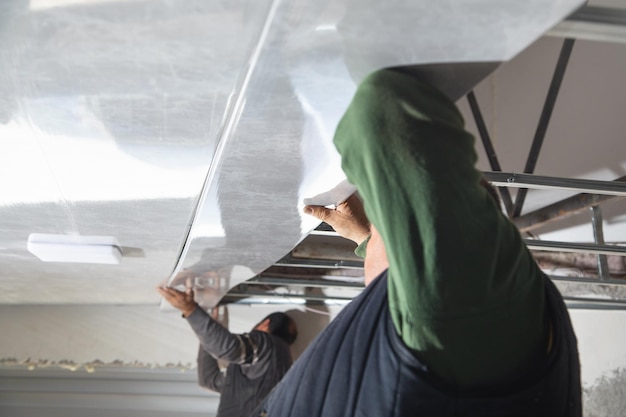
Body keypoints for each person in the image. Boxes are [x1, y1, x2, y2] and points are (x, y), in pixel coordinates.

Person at [255, 67, 581, 416]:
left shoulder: (464, 311)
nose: (389, 219)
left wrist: (368, 238)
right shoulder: (463, 303)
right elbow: (381, 111)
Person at [157, 286, 297, 417]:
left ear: (265, 323)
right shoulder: (274, 359)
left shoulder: (267, 346)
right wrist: (192, 312)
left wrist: (194, 313)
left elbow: (212, 375)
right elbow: (214, 373)